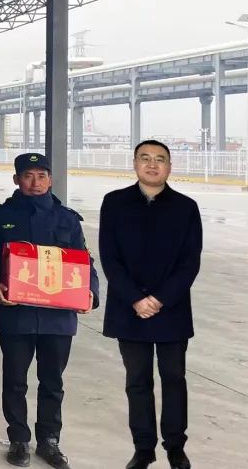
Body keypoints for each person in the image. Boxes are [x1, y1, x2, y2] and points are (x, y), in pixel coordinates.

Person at [0, 153, 99, 469]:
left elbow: (84, 260)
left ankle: (49, 440)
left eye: (41, 176)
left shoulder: (67, 219)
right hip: (16, 314)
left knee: (52, 381)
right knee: (15, 379)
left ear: (50, 180)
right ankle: (18, 439)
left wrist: (91, 292)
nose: (35, 182)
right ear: (16, 180)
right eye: (28, 176)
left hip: (58, 317)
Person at [99, 140, 201, 469]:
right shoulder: (114, 203)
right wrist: (135, 298)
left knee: (174, 379)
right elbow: (110, 258)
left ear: (169, 167)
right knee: (137, 381)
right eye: (145, 158)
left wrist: (159, 299)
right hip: (129, 309)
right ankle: (143, 449)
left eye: (160, 159)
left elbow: (190, 262)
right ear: (135, 164)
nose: (152, 165)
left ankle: (175, 447)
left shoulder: (186, 207)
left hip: (171, 309)